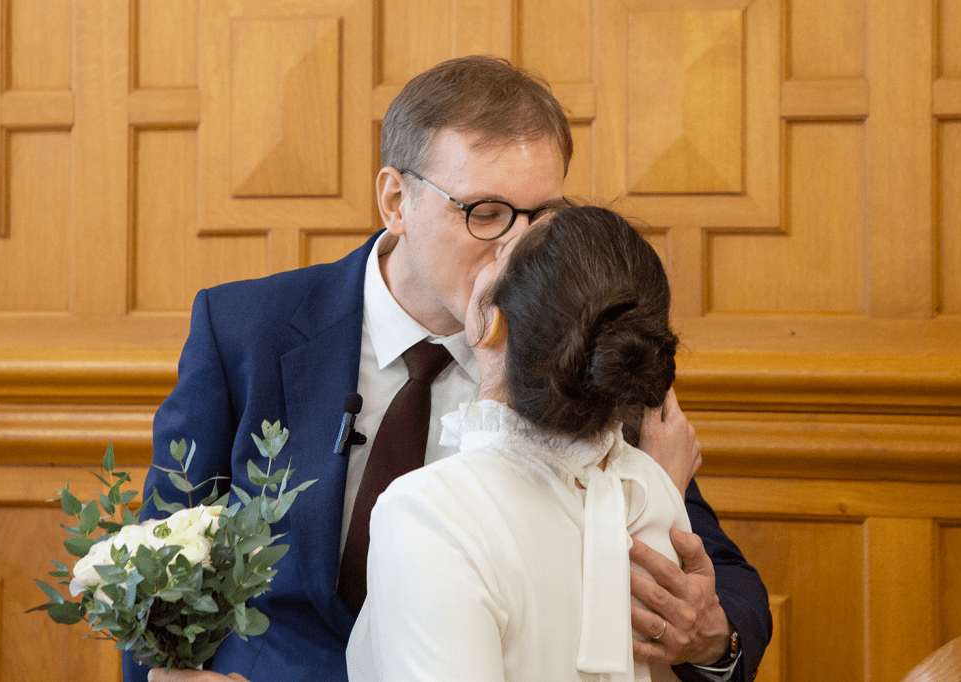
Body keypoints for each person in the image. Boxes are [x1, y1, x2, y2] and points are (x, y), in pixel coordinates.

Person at [137, 56, 770, 682]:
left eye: (543, 216)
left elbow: (711, 576)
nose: (517, 246)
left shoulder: (583, 342)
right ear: (396, 201)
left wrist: (715, 641)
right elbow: (155, 575)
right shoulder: (246, 328)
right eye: (486, 213)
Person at [347, 204, 702, 682]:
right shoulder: (656, 491)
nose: (489, 249)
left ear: (492, 322)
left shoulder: (428, 513)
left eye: (503, 256)